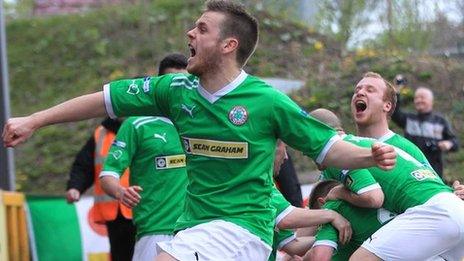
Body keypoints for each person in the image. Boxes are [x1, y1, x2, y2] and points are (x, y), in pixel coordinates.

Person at [2, 1, 397, 260]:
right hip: (189, 227)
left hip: (241, 230)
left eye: (201, 28)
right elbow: (103, 100)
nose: (190, 34)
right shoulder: (176, 92)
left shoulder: (267, 101)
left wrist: (369, 155)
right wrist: (35, 120)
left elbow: (328, 149)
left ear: (228, 44)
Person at [320, 72, 464, 260]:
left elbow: (429, 187)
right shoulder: (344, 152)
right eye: (357, 90)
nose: (360, 92)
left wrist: (456, 192)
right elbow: (321, 204)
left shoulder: (404, 148)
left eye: (370, 89)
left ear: (387, 106)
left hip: (412, 234)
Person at [99, 54, 189, 261]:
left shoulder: (199, 122)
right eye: (171, 83)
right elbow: (108, 175)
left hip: (197, 229)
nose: (178, 89)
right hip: (156, 229)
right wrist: (120, 191)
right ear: (159, 86)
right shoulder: (137, 125)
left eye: (183, 83)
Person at [65, 117, 136, 261]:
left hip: (142, 208)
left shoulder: (145, 128)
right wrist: (75, 187)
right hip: (114, 213)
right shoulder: (100, 134)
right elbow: (84, 165)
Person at [301, 180, 396, 261]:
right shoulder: (381, 192)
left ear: (322, 203)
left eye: (318, 224)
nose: (319, 226)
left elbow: (320, 257)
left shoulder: (332, 209)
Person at [392, 82, 459, 178]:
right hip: (411, 169)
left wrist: (448, 144)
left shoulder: (440, 121)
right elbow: (394, 112)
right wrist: (396, 93)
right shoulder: (409, 119)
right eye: (416, 98)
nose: (419, 100)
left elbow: (455, 142)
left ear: (431, 101)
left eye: (422, 97)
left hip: (434, 171)